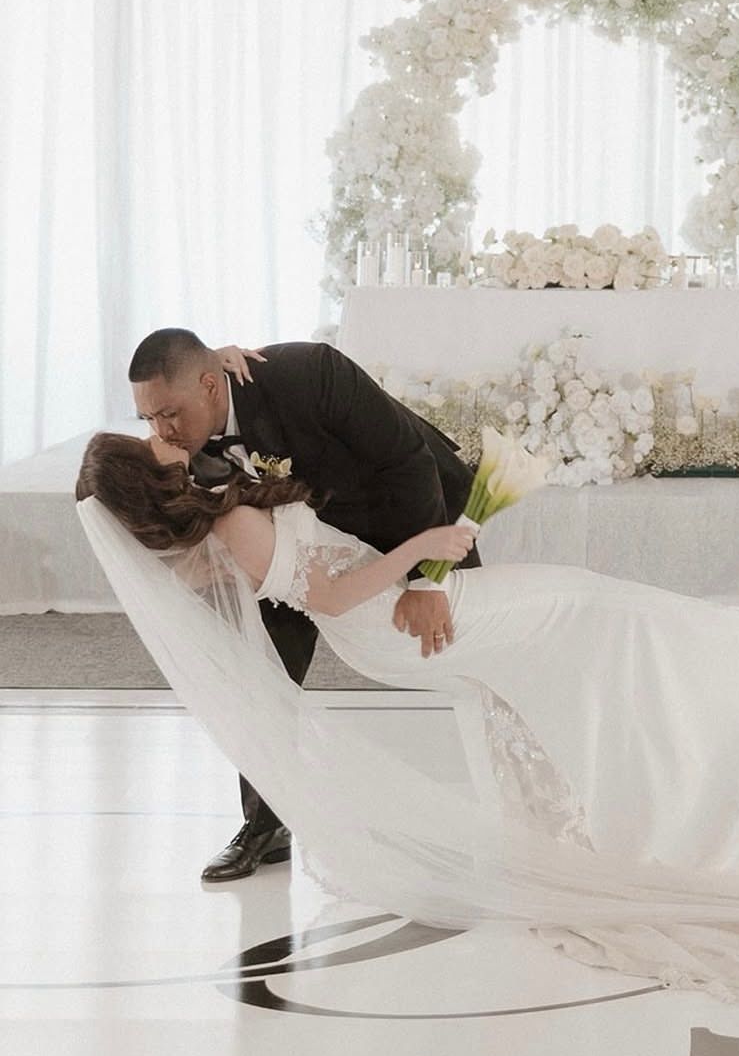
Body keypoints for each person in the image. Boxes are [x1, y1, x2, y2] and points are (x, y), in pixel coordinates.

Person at [74, 429, 739, 1022]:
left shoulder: (223, 501)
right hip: (389, 625)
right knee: (597, 611)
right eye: (145, 441)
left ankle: (668, 750)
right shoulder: (241, 530)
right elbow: (336, 597)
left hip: (402, 614)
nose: (159, 437)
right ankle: (729, 669)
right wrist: (427, 550)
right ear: (138, 477)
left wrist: (421, 555)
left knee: (587, 612)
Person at [127, 328, 480, 882]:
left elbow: (409, 462)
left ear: (211, 386)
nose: (161, 430)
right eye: (147, 419)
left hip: (414, 511)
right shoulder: (185, 442)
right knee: (259, 668)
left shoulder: (310, 373)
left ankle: (510, 802)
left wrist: (427, 580)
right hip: (307, 548)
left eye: (168, 413)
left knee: (472, 654)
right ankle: (266, 826)